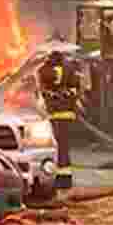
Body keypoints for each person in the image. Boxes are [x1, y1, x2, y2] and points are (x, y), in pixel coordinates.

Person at [37, 50, 83, 190]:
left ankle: (58, 177)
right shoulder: (70, 68)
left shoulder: (43, 69)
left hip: (52, 113)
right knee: (62, 147)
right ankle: (63, 178)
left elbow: (42, 90)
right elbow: (76, 88)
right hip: (65, 113)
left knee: (55, 147)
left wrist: (54, 95)